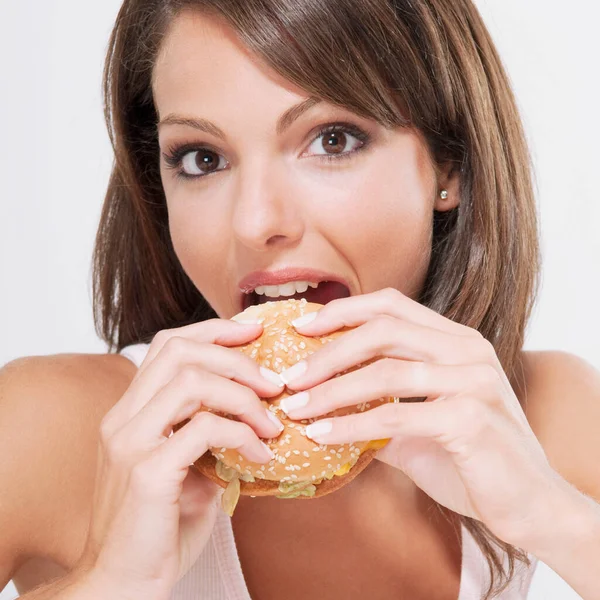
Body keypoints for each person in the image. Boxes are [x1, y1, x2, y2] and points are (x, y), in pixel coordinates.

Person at [1, 0, 599, 599]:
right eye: (202, 158)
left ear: (451, 167)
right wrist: (112, 581)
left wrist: (555, 520)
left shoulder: (546, 416)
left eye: (332, 140)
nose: (255, 221)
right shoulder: (46, 427)